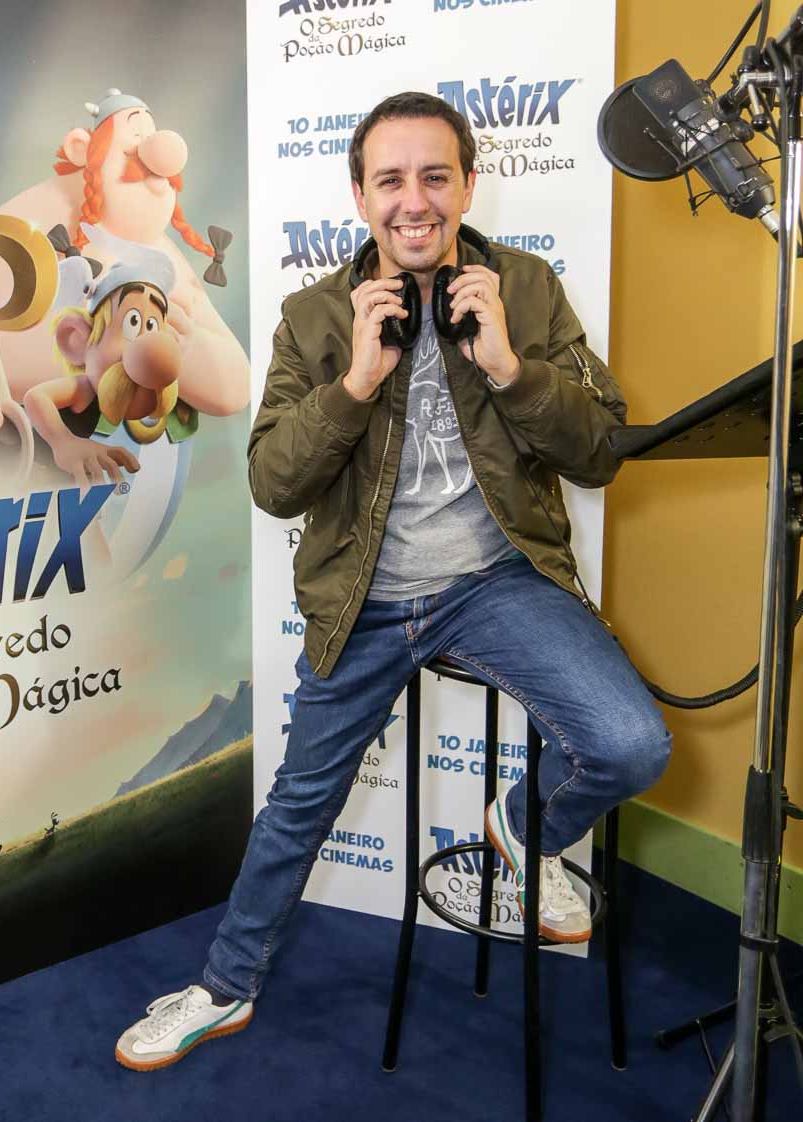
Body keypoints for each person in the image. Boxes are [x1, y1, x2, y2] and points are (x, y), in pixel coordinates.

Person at [114, 91, 672, 1072]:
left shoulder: (526, 287)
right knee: (299, 805)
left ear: (468, 183)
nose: (414, 200)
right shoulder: (312, 317)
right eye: (391, 180)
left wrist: (510, 368)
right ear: (360, 196)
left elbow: (599, 451)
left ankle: (522, 830)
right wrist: (356, 384)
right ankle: (223, 987)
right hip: (361, 600)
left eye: (435, 176)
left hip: (495, 582)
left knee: (631, 744)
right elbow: (273, 483)